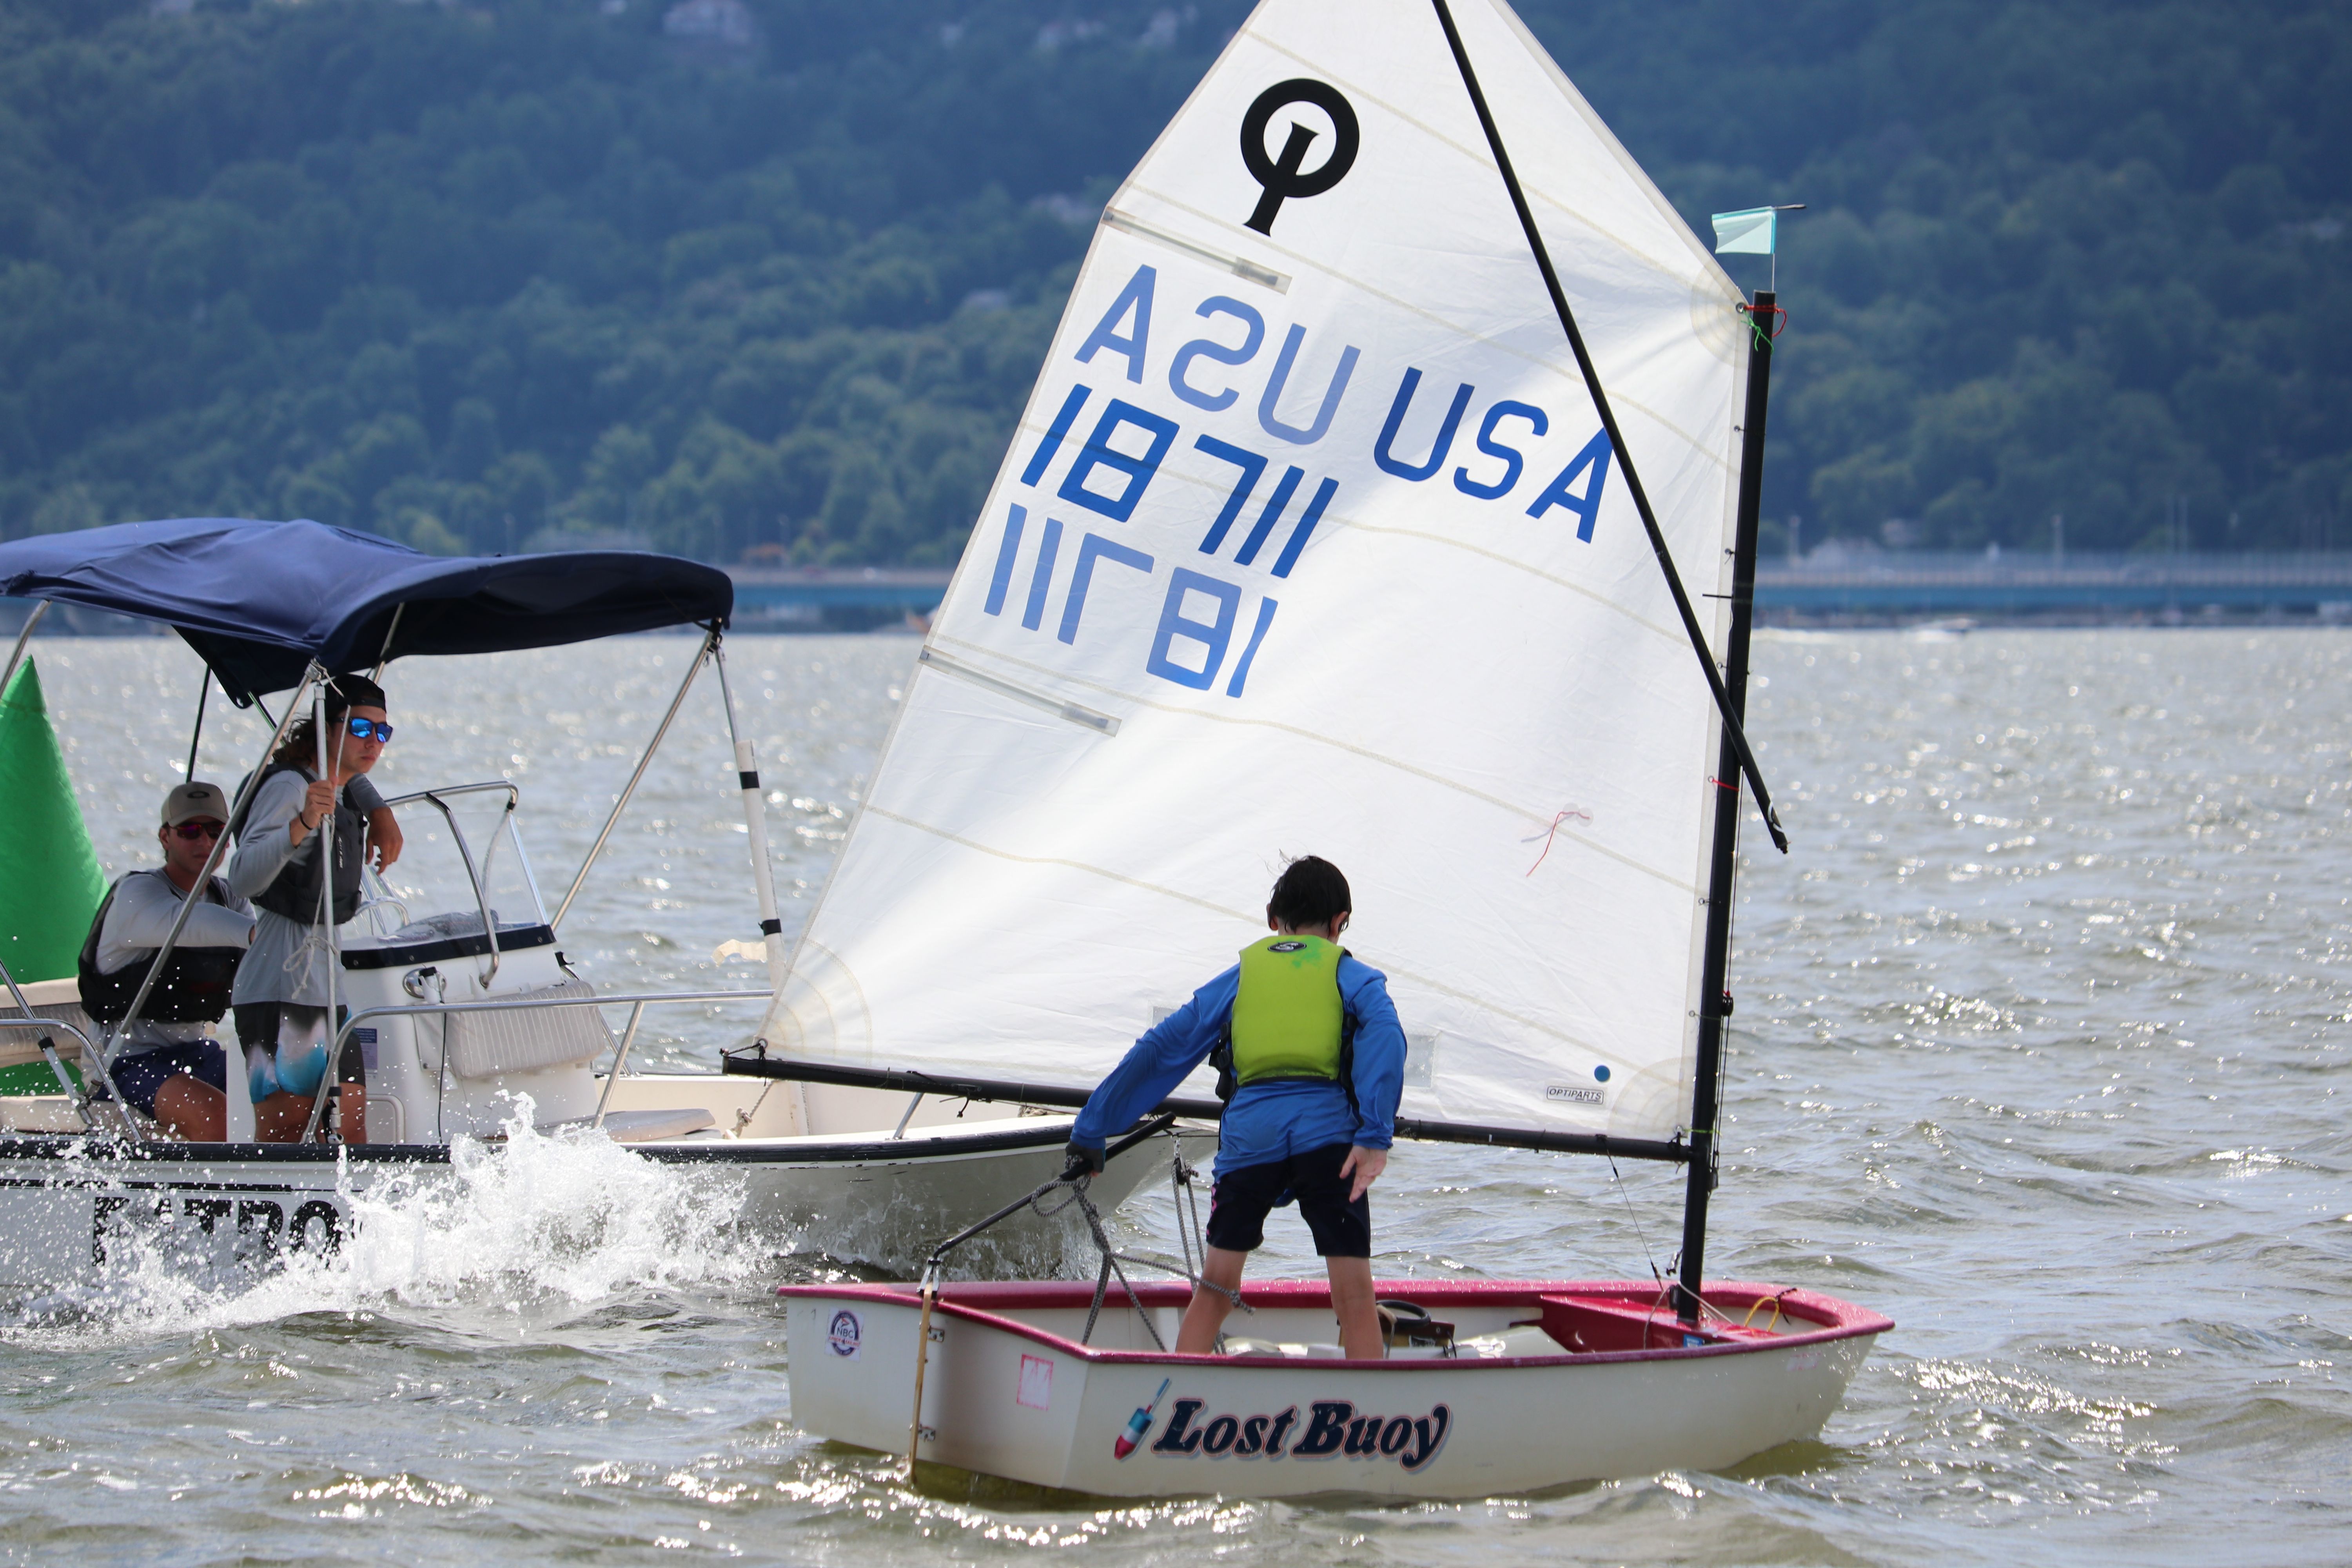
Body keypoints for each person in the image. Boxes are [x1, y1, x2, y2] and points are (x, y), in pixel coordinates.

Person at [1063, 856, 1405, 1360]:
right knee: (1354, 1296)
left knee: (1217, 1285)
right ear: (1340, 923)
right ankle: (1370, 1423)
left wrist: (1094, 1128)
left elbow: (1163, 1048)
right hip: (1328, 1141)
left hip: (1251, 1142)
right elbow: (1386, 1040)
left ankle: (1177, 1393)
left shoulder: (1240, 978)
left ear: (1272, 918)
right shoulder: (1354, 977)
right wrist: (1375, 1134)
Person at [226, 672, 401, 1143]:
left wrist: (380, 809)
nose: (374, 743)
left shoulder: (340, 786)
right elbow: (241, 877)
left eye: (383, 732)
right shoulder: (289, 788)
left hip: (325, 985)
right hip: (279, 984)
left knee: (353, 1128)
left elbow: (349, 779)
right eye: (361, 729)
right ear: (328, 728)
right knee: (287, 1128)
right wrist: (302, 823)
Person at [75, 783, 261, 1141]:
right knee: (218, 1118)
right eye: (189, 831)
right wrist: (256, 934)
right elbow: (188, 923)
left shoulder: (230, 898)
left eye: (216, 831)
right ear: (165, 837)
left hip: (196, 1051)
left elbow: (257, 975)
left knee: (287, 1102)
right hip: (123, 1063)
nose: (204, 842)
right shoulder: (137, 894)